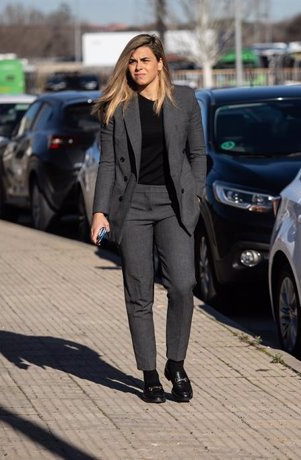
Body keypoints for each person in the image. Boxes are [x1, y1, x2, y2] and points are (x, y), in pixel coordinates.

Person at [90, 34, 206, 403]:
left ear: (160, 63)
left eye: (144, 60)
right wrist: (99, 212)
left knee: (182, 286)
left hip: (174, 203)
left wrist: (196, 192)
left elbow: (198, 152)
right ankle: (150, 374)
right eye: (132, 61)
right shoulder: (116, 107)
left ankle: (176, 363)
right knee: (139, 294)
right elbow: (108, 163)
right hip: (133, 206)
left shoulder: (185, 99)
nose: (137, 67)